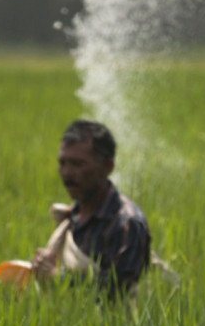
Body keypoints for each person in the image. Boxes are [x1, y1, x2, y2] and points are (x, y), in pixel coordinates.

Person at [32, 120, 151, 300]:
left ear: (108, 167)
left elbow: (119, 289)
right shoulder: (72, 217)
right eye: (63, 163)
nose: (67, 173)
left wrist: (58, 277)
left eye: (78, 164)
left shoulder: (126, 224)